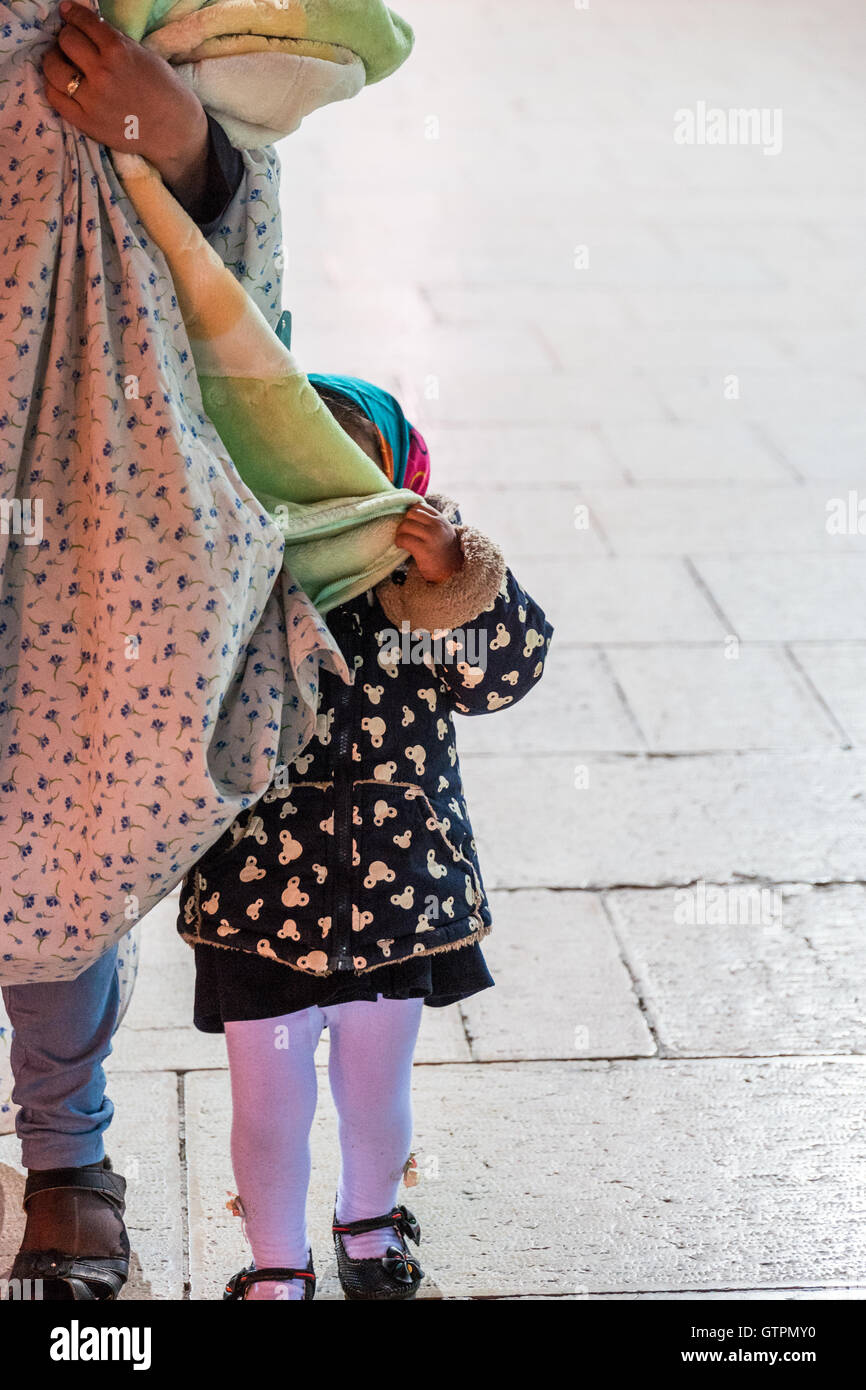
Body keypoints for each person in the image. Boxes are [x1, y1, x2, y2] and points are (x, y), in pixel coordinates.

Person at [178, 377, 554, 1300]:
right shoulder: (239, 560)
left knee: (375, 1092)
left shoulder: (417, 588)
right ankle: (275, 1263)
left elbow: (506, 676)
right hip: (256, 899)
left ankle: (369, 1227)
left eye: (352, 463)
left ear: (398, 474)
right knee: (267, 1107)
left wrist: (457, 573)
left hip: (397, 898)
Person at [2, 1, 262, 1302]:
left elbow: (247, 168)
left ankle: (67, 1159)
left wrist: (188, 139)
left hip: (86, 422)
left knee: (57, 790)